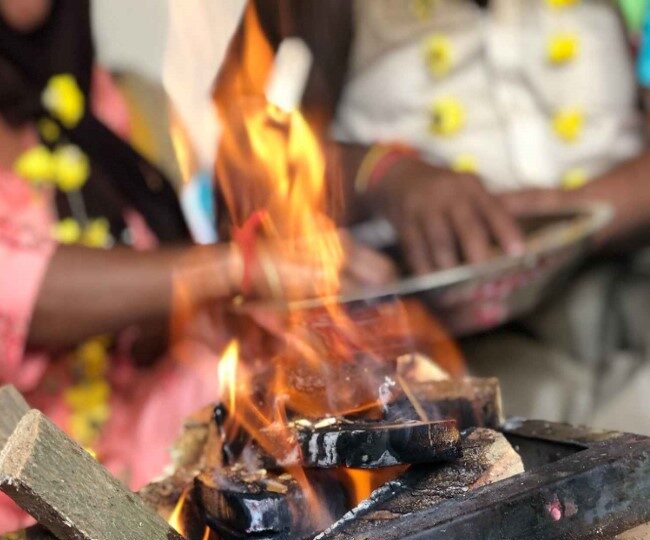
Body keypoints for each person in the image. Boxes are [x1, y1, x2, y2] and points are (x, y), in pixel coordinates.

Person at [0, 0, 395, 540]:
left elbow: (140, 304)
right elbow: (7, 289)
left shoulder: (101, 99)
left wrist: (227, 306)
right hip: (10, 516)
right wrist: (232, 267)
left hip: (143, 477)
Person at [217, 0, 650, 433]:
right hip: (449, 335)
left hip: (630, 262)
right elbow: (246, 171)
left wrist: (583, 212)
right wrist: (381, 174)